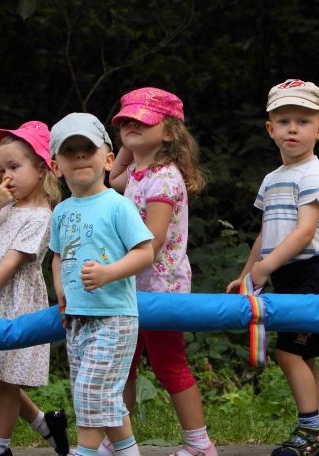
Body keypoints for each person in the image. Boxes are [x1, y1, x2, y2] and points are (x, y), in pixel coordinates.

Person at [226, 79, 319, 456]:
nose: (293, 128)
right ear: (270, 129)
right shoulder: (273, 179)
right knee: (302, 356)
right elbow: (266, 233)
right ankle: (318, 432)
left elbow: (305, 232)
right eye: (284, 120)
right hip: (285, 274)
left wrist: (266, 267)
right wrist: (247, 273)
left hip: (311, 275)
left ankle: (310, 431)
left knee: (289, 354)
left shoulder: (312, 175)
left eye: (303, 121)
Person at [108, 87, 217, 456]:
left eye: (143, 120)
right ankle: (116, 441)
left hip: (160, 289)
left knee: (169, 366)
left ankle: (199, 444)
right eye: (126, 120)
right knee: (122, 367)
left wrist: (112, 270)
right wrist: (131, 141)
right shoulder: (139, 173)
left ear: (169, 132)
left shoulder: (164, 179)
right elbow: (113, 178)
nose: (132, 124)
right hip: (132, 286)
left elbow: (152, 243)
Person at [0, 121, 69, 456]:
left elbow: (11, 262)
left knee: (6, 380)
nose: (7, 176)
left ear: (40, 167)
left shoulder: (41, 216)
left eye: (15, 167)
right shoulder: (6, 205)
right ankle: (45, 424)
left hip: (10, 300)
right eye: (2, 168)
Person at [49, 113, 155, 456]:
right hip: (78, 319)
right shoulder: (61, 211)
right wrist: (61, 292)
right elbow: (56, 256)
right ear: (56, 166)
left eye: (88, 149)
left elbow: (145, 252)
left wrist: (109, 273)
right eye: (70, 151)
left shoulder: (118, 205)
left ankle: (85, 451)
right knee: (104, 396)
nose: (80, 156)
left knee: (90, 390)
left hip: (114, 317)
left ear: (108, 159)